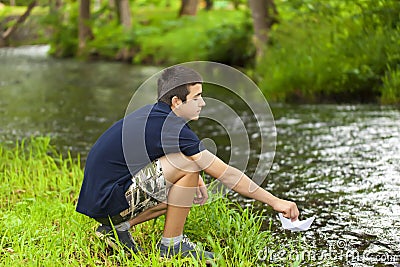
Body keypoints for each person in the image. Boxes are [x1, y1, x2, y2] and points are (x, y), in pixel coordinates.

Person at [76, 65, 299, 261]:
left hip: (102, 197)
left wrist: (195, 181)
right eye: (196, 97)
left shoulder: (158, 116)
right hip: (108, 197)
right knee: (190, 167)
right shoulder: (172, 127)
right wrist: (274, 201)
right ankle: (172, 245)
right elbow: (227, 174)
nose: (202, 103)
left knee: (186, 186)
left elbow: (164, 155)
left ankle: (117, 229)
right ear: (176, 101)